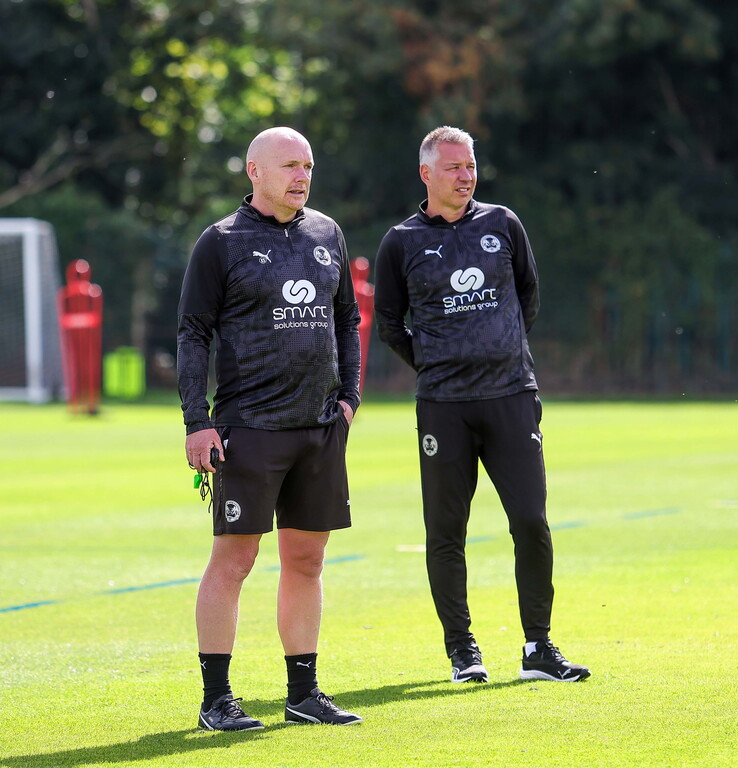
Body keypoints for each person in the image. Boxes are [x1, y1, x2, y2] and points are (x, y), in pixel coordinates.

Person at [373, 126, 590, 684]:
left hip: (511, 396)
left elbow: (528, 298)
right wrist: (439, 363)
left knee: (532, 522)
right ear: (426, 174)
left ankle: (539, 648)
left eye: (470, 166)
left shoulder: (503, 224)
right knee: (447, 531)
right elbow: (391, 325)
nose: (465, 175)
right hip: (444, 406)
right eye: (453, 167)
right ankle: (462, 650)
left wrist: (498, 353)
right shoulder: (402, 241)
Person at [177, 126, 363, 730]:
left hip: (318, 427)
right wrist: (197, 422)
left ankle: (303, 694)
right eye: (289, 165)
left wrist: (349, 398)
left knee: (306, 560)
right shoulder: (221, 243)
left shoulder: (326, 233)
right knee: (234, 560)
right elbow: (192, 334)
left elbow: (346, 320)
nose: (302, 176)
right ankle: (216, 701)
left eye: (308, 165)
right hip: (248, 428)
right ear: (253, 171)